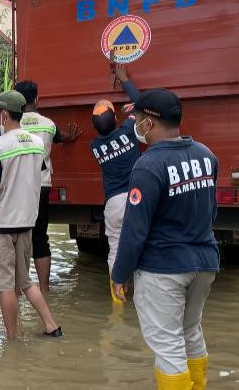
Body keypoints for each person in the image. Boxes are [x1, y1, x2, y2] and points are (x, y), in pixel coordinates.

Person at [111, 88, 219, 389]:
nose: (137, 125)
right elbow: (211, 213)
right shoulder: (206, 156)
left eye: (138, 119)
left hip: (164, 269)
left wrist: (119, 274)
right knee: (191, 331)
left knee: (168, 346)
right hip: (205, 263)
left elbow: (135, 231)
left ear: (150, 124)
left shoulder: (148, 166)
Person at [0, 90, 62, 340]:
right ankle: (51, 326)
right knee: (25, 282)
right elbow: (32, 177)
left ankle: (12, 340)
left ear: (4, 114)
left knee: (5, 287)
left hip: (1, 227)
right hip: (26, 224)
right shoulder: (36, 144)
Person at [14, 80, 82, 294]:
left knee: (17, 238)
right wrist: (71, 137)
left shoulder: (9, 124)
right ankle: (44, 288)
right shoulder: (48, 124)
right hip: (41, 186)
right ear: (36, 99)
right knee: (40, 236)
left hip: (16, 188)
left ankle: (17, 289)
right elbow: (61, 138)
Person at [90, 67, 142, 303]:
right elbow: (142, 103)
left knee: (115, 250)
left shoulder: (94, 146)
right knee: (144, 246)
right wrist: (125, 80)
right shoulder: (129, 131)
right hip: (136, 199)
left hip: (113, 204)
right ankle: (145, 297)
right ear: (115, 119)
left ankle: (118, 300)